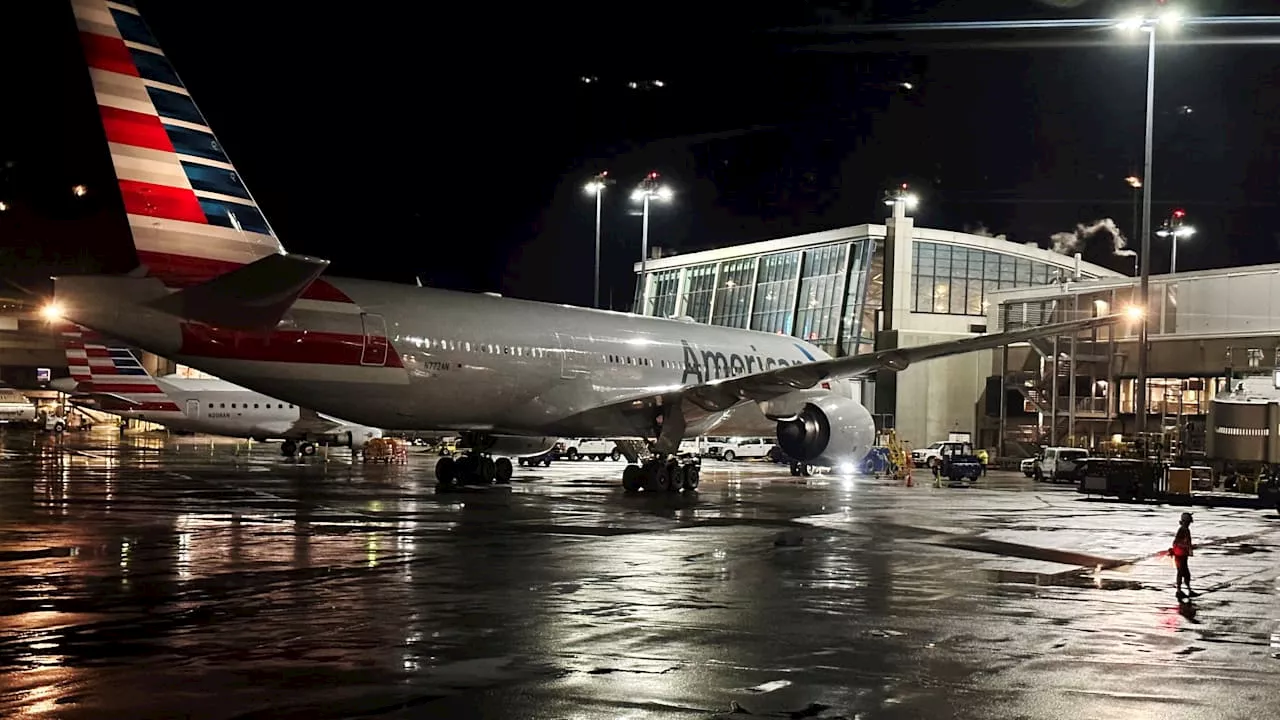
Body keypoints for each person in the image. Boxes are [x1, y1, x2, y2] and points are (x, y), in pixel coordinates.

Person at [1171, 512, 1195, 597]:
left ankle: (1188, 590)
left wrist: (1189, 548)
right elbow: (1176, 542)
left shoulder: (1186, 530)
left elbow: (1187, 542)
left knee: (1185, 573)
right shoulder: (1182, 530)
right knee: (1181, 572)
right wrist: (1186, 547)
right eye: (1188, 522)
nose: (1189, 524)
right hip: (1179, 555)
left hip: (1183, 554)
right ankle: (1179, 591)